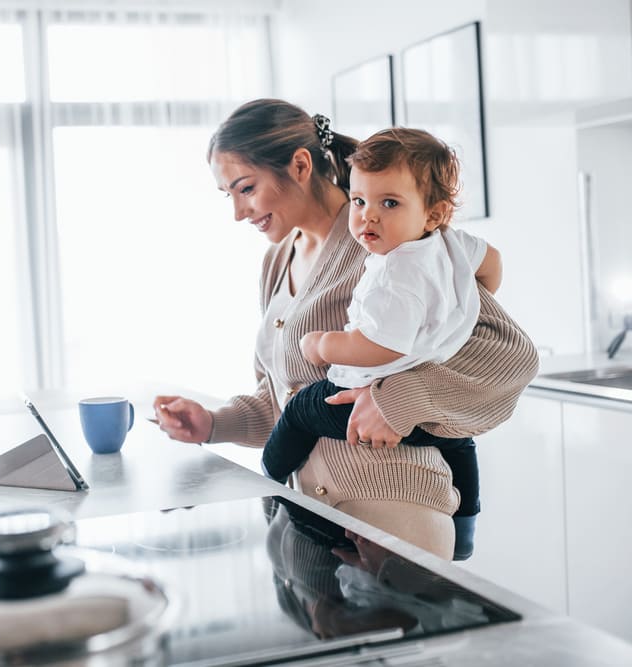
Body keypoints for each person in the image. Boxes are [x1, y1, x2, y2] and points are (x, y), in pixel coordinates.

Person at [152, 99, 538, 560]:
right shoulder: (279, 260)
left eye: (246, 188)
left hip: (392, 507)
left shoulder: (391, 242)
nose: (238, 212)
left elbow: (511, 357)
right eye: (228, 195)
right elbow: (290, 398)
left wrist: (399, 398)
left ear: (299, 165)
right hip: (305, 514)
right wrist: (215, 423)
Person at [260, 128, 502, 560]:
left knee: (301, 411)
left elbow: (379, 347)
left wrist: (324, 346)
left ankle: (267, 484)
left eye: (389, 203)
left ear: (434, 213)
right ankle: (465, 529)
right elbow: (493, 263)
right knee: (459, 443)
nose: (368, 217)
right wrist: (461, 309)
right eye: (359, 201)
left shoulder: (396, 274)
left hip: (365, 395)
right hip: (427, 407)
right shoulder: (449, 244)